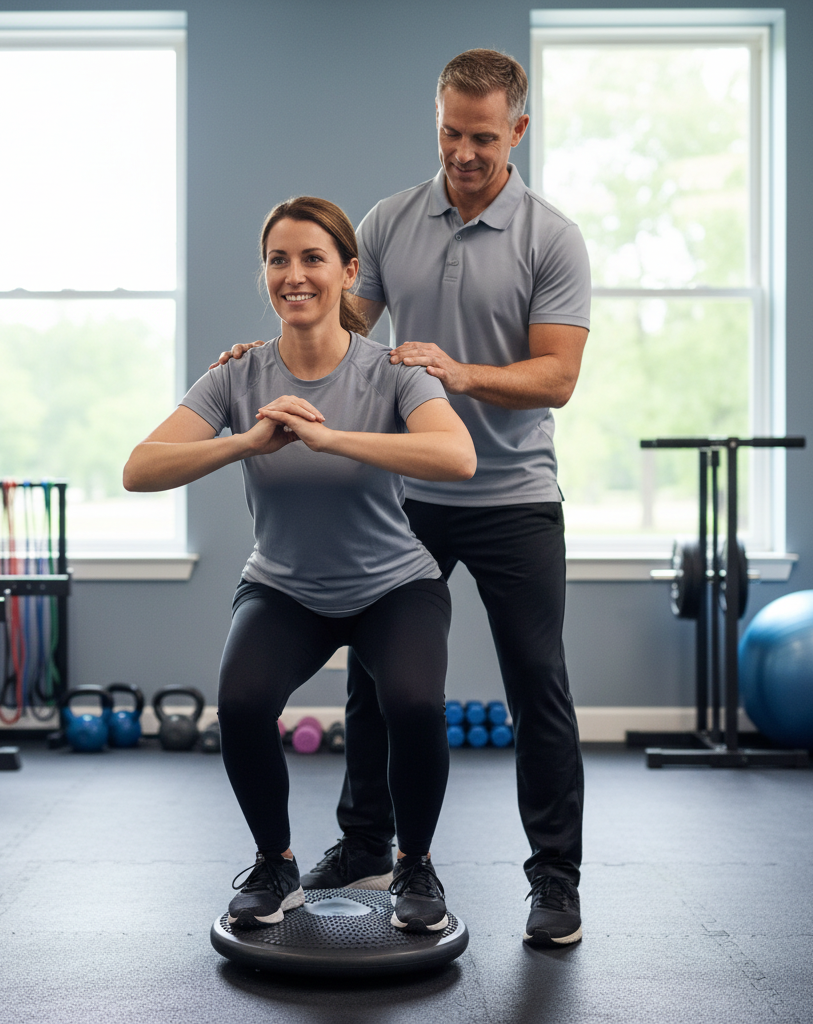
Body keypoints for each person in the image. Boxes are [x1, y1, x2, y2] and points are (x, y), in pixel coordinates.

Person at [216, 49, 591, 948]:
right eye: (450, 132)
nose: (463, 152)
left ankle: (553, 880)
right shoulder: (387, 221)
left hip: (511, 494)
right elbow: (339, 331)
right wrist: (259, 357)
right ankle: (367, 845)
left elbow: (559, 376)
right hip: (407, 489)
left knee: (537, 683)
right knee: (380, 680)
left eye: (484, 137)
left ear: (518, 132)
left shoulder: (550, 236)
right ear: (437, 120)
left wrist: (462, 374)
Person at [123, 196, 476, 932]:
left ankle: (414, 866)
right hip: (285, 587)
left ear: (348, 272)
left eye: (313, 258)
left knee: (413, 705)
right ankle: (275, 863)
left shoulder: (394, 370)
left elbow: (456, 456)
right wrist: (247, 444)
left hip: (393, 586)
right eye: (278, 259)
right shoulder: (237, 376)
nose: (295, 275)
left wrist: (332, 438)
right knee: (243, 703)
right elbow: (141, 467)